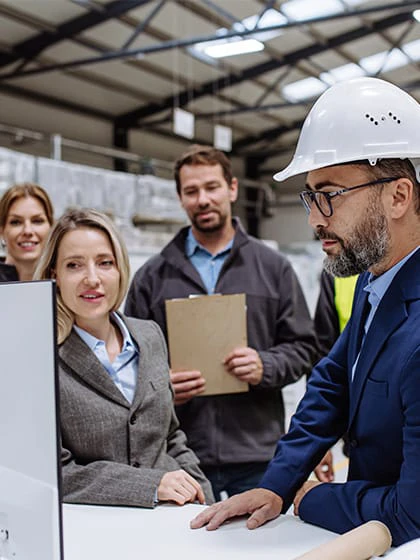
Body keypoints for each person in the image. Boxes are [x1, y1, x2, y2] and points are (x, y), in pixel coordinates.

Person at [190, 77, 420, 547]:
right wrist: (277, 482)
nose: (315, 219)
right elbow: (333, 382)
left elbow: (413, 513)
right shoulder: (375, 281)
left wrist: (311, 497)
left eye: (329, 195)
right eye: (310, 197)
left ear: (399, 196)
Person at [124, 144, 319, 500]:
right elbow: (126, 360)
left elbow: (304, 346)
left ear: (232, 188)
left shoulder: (273, 268)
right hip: (180, 451)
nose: (203, 199)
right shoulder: (152, 277)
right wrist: (160, 386)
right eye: (191, 191)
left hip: (257, 451)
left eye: (211, 187)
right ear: (181, 198)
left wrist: (265, 364)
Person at [33, 208, 214, 508]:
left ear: (120, 270)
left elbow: (171, 436)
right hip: (98, 532)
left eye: (105, 263)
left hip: (173, 520)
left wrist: (204, 496)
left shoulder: (149, 335)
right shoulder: (40, 356)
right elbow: (54, 473)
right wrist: (151, 485)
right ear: (55, 275)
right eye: (74, 265)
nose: (92, 278)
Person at [0, 182, 54, 282]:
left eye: (37, 221)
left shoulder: (66, 286)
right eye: (16, 222)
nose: (27, 231)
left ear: (51, 227)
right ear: (2, 230)